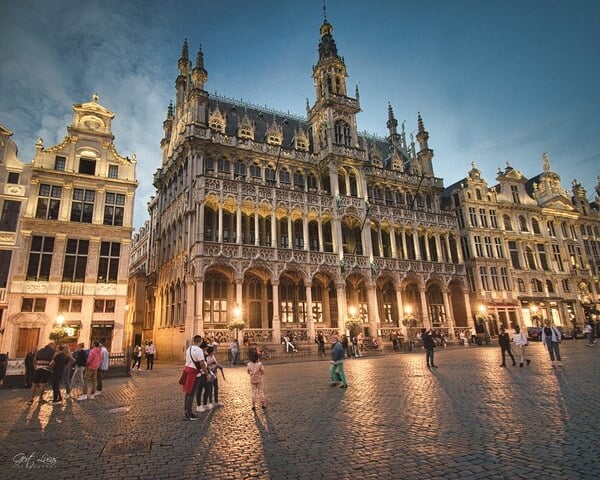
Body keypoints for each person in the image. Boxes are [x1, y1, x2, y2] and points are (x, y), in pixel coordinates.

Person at [182, 335, 208, 421]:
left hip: (187, 371)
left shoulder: (189, 349)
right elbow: (202, 363)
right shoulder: (199, 350)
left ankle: (187, 411)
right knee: (192, 393)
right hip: (195, 374)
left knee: (188, 392)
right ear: (200, 341)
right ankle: (188, 414)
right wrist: (206, 373)